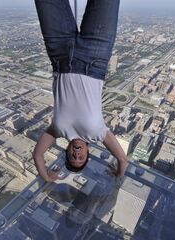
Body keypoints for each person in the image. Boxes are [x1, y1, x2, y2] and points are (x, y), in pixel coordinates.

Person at [33, 0, 127, 182]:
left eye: (72, 157)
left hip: (59, 52)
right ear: (87, 152)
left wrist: (47, 177)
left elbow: (37, 155)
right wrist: (118, 176)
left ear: (67, 151)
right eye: (81, 158)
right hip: (96, 53)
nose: (77, 155)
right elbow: (122, 159)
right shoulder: (98, 133)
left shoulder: (58, 130)